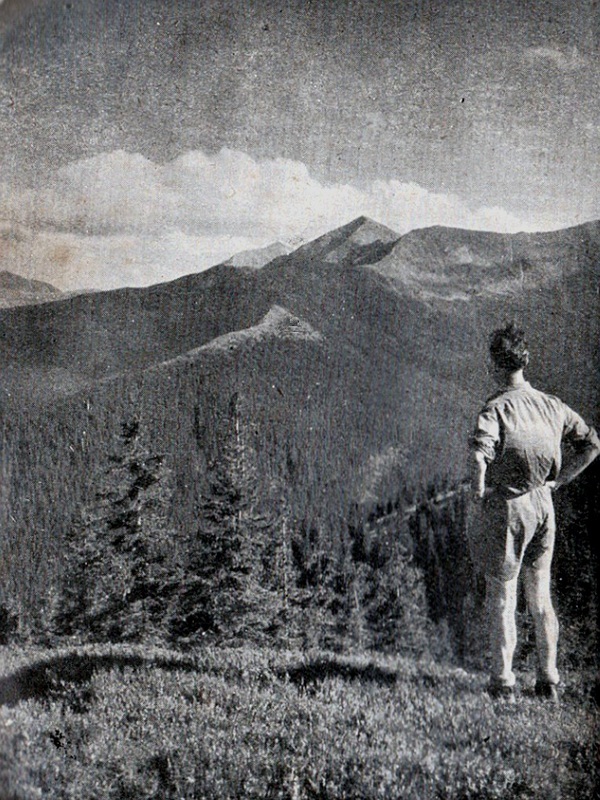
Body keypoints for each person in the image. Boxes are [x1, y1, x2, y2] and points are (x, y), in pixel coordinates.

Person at [467, 323, 600, 702]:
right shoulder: (552, 405)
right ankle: (548, 680)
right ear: (524, 361)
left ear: (494, 364)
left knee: (504, 596)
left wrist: (476, 500)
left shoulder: (496, 409)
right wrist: (561, 481)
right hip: (544, 504)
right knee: (540, 596)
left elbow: (479, 458)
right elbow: (591, 444)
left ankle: (504, 683)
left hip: (509, 506)